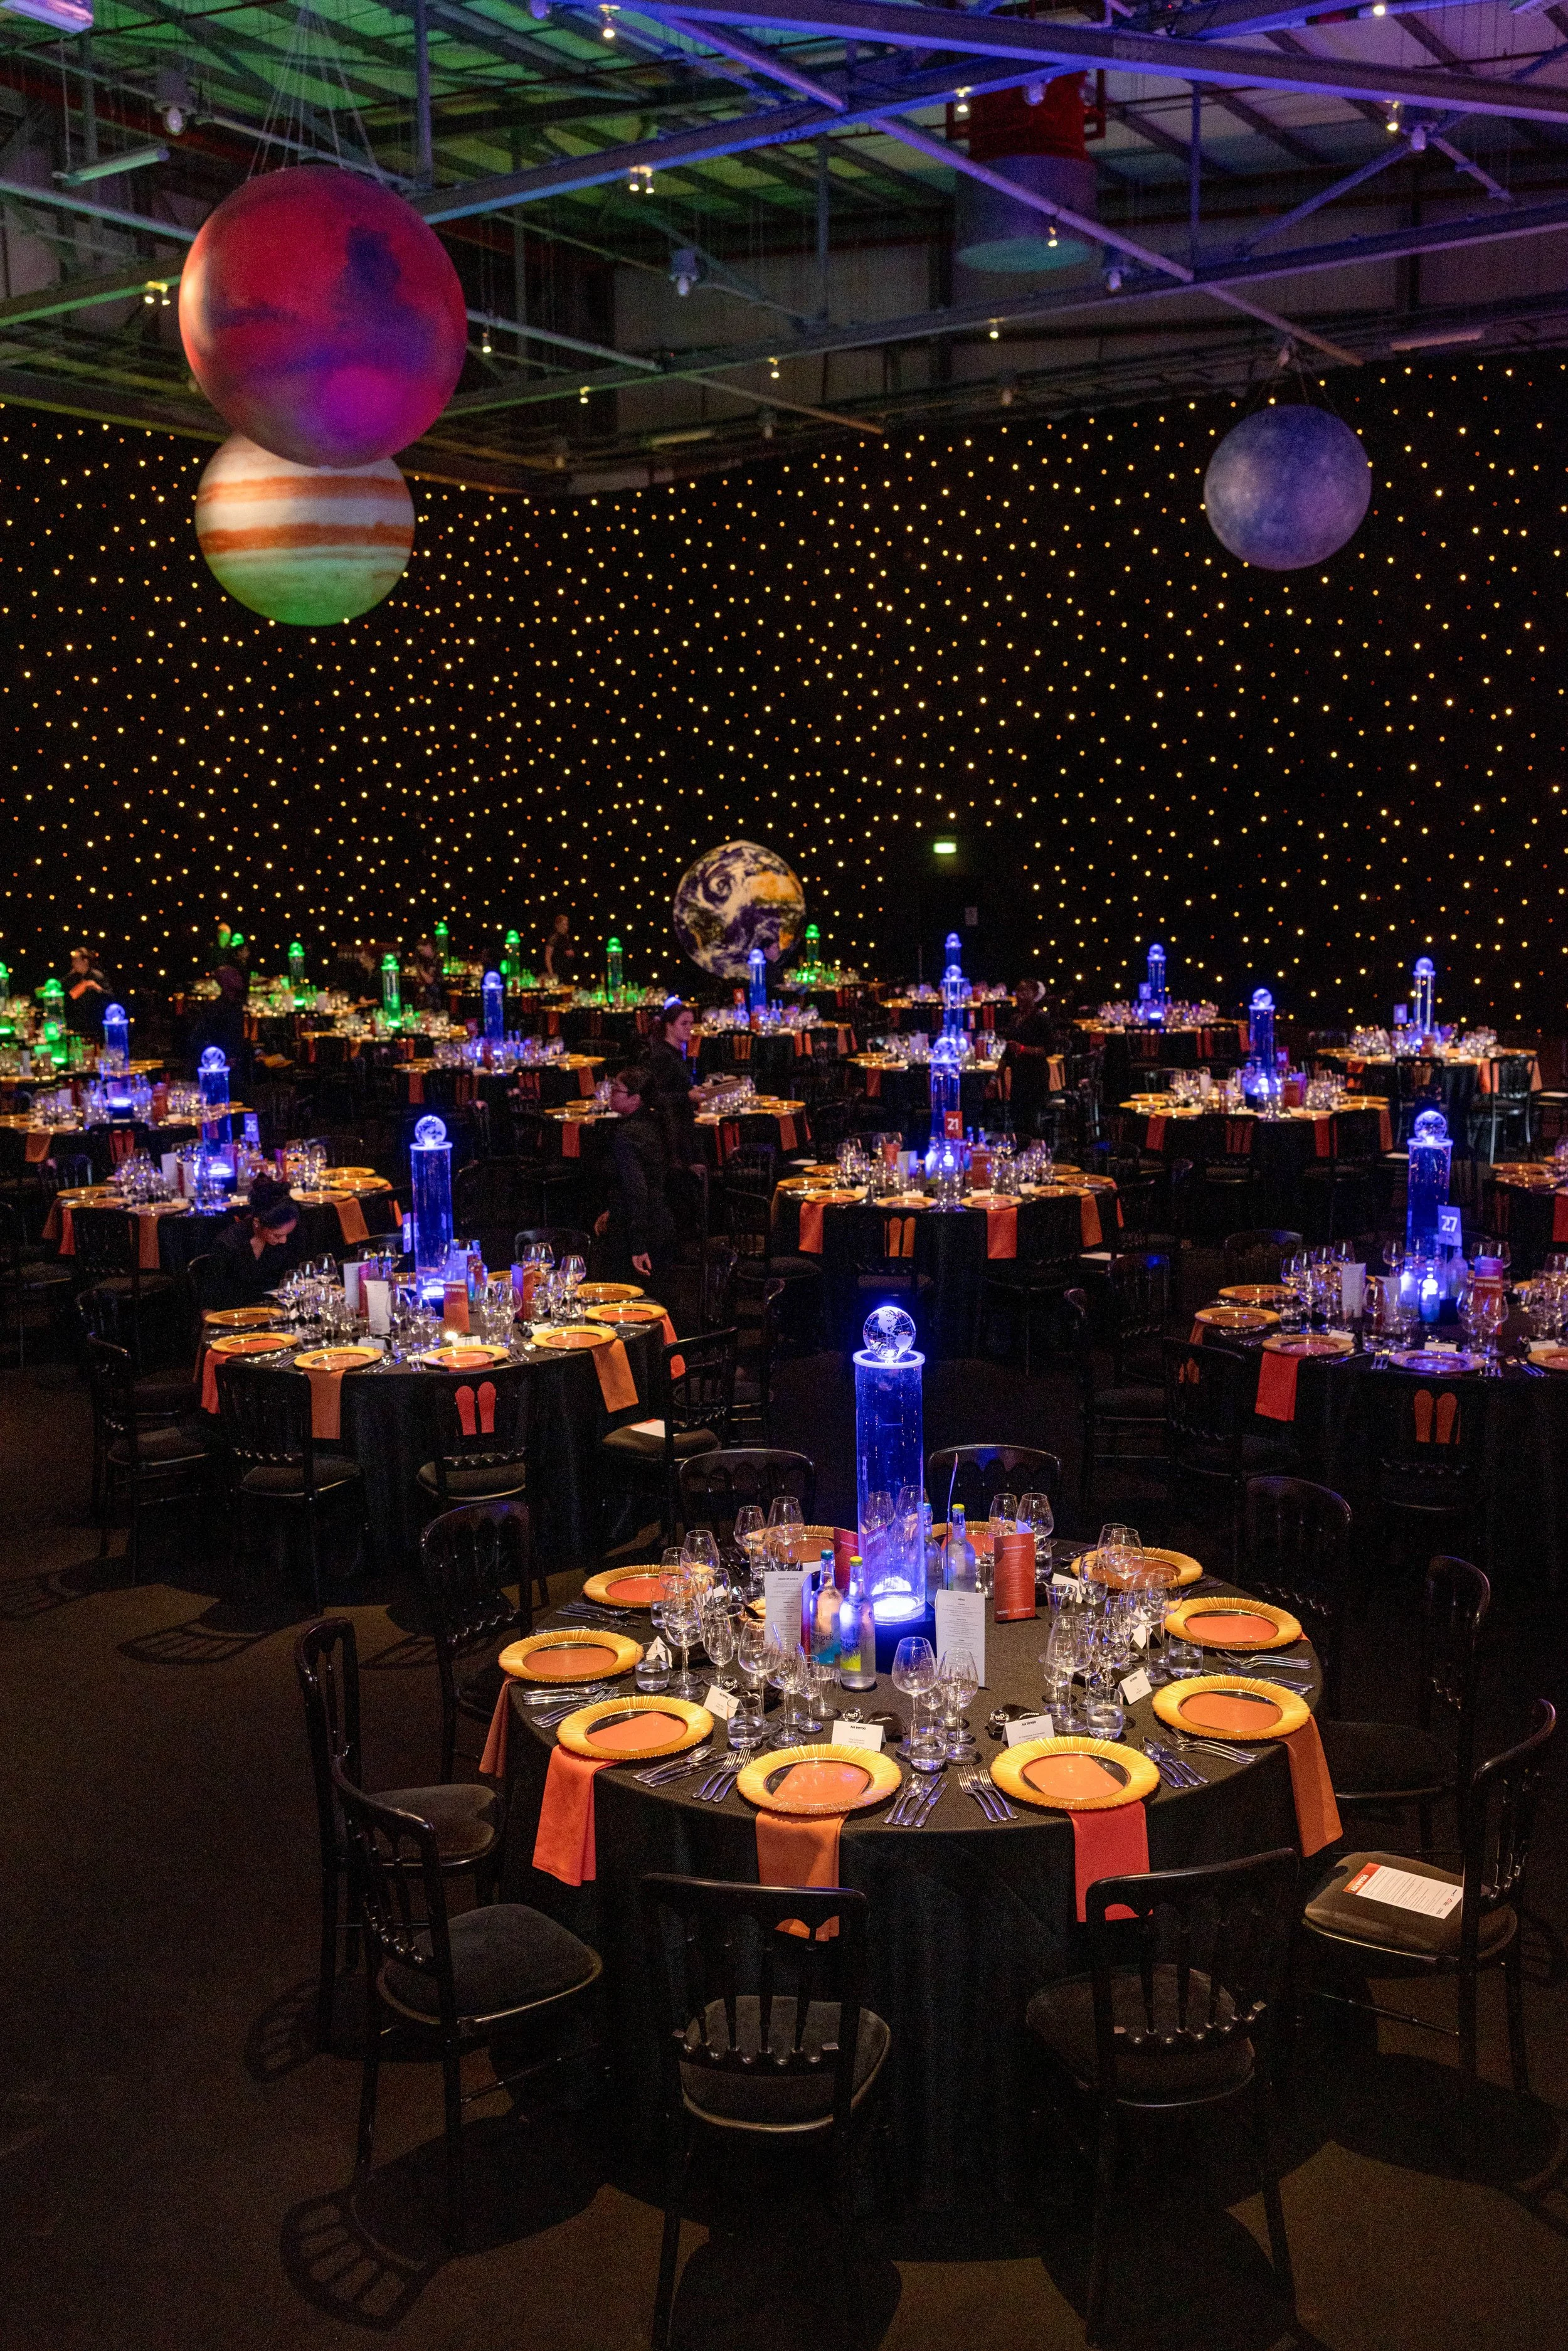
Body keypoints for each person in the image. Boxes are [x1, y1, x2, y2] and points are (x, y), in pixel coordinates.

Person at [593, 1066, 678, 1279]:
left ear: (635, 1099)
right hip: (662, 1220)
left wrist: (638, 1245)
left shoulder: (626, 1135)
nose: (611, 1092)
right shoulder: (657, 1123)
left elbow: (637, 1190)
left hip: (638, 1229)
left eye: (617, 1089)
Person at [209, 1174, 305, 1305]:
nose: (284, 1240)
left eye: (288, 1233)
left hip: (278, 1313)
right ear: (257, 1223)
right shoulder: (228, 1244)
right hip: (236, 1316)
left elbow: (298, 1283)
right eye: (277, 1235)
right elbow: (211, 1300)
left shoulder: (292, 1237)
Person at [643, 996, 704, 1172]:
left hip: (680, 1125)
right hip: (672, 1131)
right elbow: (653, 1096)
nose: (689, 1029)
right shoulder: (662, 1056)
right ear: (669, 1026)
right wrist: (687, 1096)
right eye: (684, 1024)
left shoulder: (676, 1054)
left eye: (691, 1024)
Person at [999, 976, 1058, 1140]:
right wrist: (995, 1076)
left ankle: (1039, 1156)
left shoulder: (1041, 1018)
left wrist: (1023, 1049)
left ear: (1034, 994)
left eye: (1025, 991)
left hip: (1035, 1076)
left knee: (1031, 1122)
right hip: (1019, 1076)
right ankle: (1023, 1158)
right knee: (1018, 1121)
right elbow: (1008, 1050)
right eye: (1018, 990)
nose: (1020, 995)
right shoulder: (1014, 1019)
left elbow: (1049, 1050)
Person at [60, 946, 112, 1041]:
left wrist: (97, 988)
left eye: (76, 961)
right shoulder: (71, 978)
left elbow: (110, 997)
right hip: (76, 1024)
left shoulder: (97, 976)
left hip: (95, 1024)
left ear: (85, 961)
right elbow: (64, 996)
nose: (73, 964)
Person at [542, 912, 576, 985]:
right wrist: (551, 974)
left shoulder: (566, 937)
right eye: (563, 925)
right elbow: (548, 957)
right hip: (557, 972)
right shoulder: (554, 938)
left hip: (567, 972)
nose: (565, 927)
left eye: (566, 924)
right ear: (557, 925)